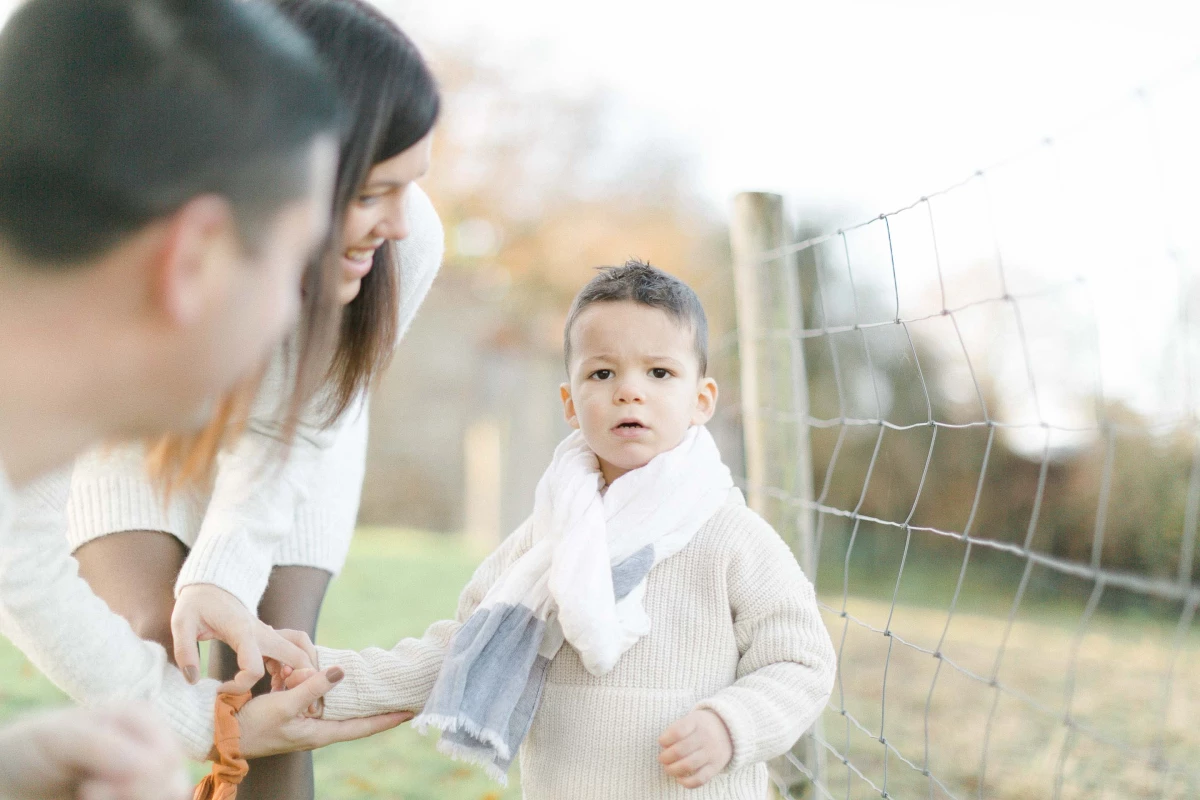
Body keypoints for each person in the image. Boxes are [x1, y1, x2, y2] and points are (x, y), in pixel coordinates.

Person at [29, 1, 443, 797]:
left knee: (270, 679)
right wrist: (192, 725)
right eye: (373, 192)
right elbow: (21, 553)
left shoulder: (403, 240)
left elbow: (287, 430)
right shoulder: (78, 266)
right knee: (151, 646)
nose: (399, 222)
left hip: (292, 433)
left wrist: (220, 574)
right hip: (135, 426)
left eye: (411, 186)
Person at [288, 260, 839, 798]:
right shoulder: (547, 538)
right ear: (570, 403)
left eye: (659, 372)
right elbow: (464, 648)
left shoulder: (732, 537)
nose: (629, 391)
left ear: (701, 400)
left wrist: (731, 723)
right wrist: (331, 676)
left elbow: (800, 662)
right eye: (602, 373)